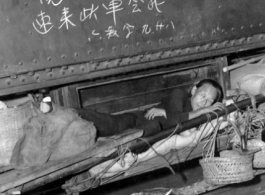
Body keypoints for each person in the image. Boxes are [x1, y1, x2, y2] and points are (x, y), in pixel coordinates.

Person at [72, 79, 224, 137]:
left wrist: (167, 114)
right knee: (105, 122)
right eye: (203, 96)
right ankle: (66, 112)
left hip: (148, 129)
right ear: (193, 91)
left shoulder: (202, 117)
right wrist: (201, 111)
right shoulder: (179, 95)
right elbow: (177, 119)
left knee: (152, 126)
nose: (205, 103)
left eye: (210, 101)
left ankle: (118, 143)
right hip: (136, 119)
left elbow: (177, 122)